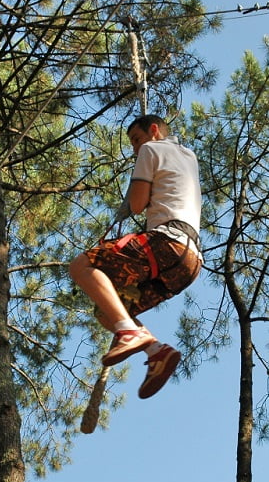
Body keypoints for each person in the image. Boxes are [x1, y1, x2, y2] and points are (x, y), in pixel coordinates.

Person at [70, 114, 203, 398]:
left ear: (154, 130)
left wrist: (134, 189)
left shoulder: (151, 149)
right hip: (189, 262)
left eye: (136, 139)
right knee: (108, 311)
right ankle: (157, 351)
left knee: (81, 265)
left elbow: (139, 203)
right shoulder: (188, 156)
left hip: (167, 243)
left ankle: (130, 334)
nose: (135, 148)